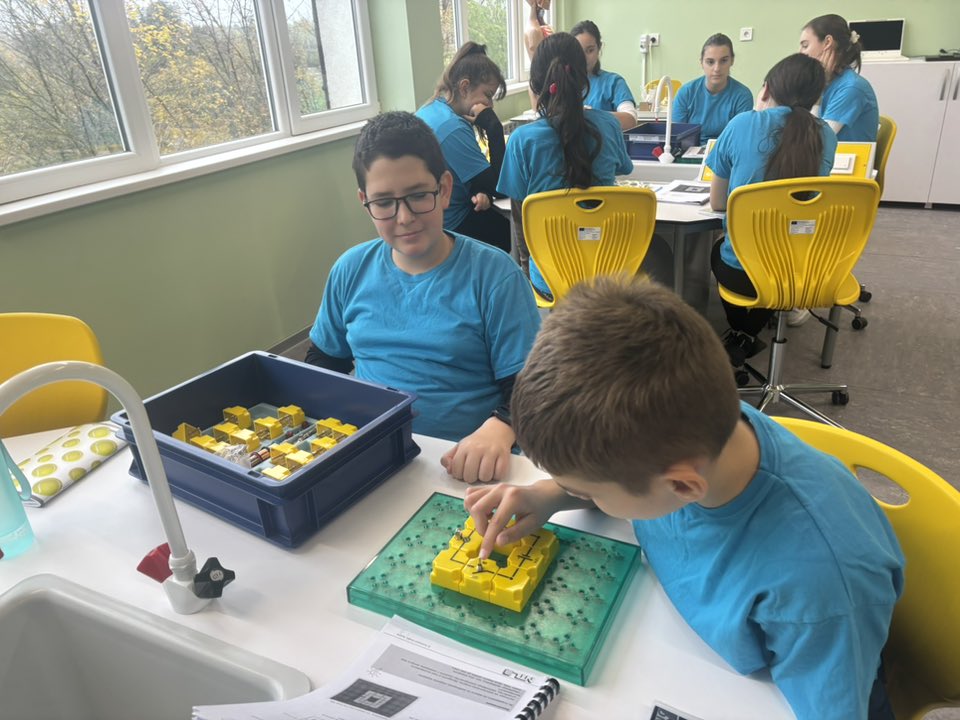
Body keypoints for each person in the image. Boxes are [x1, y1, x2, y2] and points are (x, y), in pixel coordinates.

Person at [465, 276, 904, 720]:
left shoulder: (821, 591)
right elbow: (623, 473)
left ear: (682, 488)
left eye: (586, 489)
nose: (574, 493)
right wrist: (549, 495)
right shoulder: (689, 420)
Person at [304, 111, 540, 484]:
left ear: (444, 189)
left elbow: (529, 387)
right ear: (364, 200)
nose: (404, 217)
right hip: (374, 456)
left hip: (465, 467)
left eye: (417, 196)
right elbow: (323, 363)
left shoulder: (494, 276)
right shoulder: (351, 270)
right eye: (384, 202)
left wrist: (501, 426)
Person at [705, 53, 838, 365]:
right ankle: (755, 326)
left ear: (766, 89)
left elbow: (718, 202)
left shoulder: (742, 124)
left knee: (719, 251)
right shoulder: (826, 136)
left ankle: (742, 330)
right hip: (801, 271)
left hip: (744, 274)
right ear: (817, 97)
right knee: (776, 259)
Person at [497, 32, 633, 299]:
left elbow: (520, 218)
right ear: (584, 78)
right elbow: (623, 169)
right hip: (606, 272)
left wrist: (527, 270)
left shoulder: (522, 141)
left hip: (549, 278)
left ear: (536, 84)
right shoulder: (609, 125)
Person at [416, 42, 510, 253]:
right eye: (488, 95)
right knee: (516, 230)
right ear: (465, 87)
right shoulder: (453, 128)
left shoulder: (433, 109)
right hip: (451, 225)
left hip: (432, 217)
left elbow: (473, 176)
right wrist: (493, 128)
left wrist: (480, 189)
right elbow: (501, 187)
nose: (490, 105)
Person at [800, 14, 879, 142]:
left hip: (839, 154)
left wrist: (816, 94)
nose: (800, 52)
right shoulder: (827, 81)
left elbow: (816, 141)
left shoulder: (852, 88)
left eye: (805, 46)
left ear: (827, 42)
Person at [673, 33, 754, 141]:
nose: (717, 68)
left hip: (727, 150)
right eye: (710, 62)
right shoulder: (686, 93)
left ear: (732, 60)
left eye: (723, 61)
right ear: (701, 63)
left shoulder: (742, 96)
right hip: (689, 150)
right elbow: (677, 138)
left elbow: (739, 138)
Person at [571, 20, 637, 132]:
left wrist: (591, 115)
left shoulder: (613, 82)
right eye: (579, 51)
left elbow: (630, 119)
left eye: (590, 50)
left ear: (599, 48)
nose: (584, 57)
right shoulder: (565, 83)